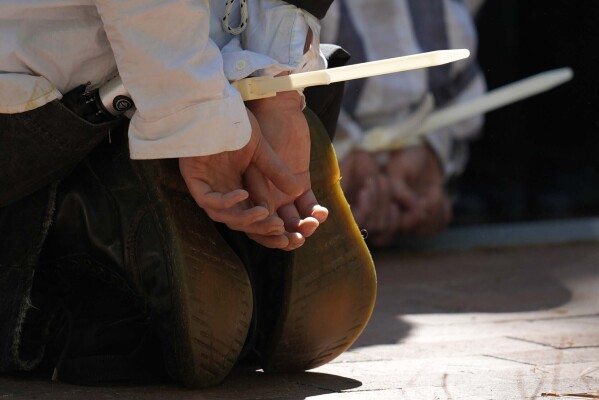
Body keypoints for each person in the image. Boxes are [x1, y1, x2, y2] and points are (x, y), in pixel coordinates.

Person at [0, 0, 376, 388]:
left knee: (61, 317)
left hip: (62, 93)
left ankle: (117, 277)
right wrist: (276, 88)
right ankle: (256, 284)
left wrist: (199, 116)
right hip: (219, 58)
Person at [320, 0, 487, 247]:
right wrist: (335, 160)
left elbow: (460, 93)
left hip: (412, 168)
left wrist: (432, 157)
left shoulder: (448, 17)